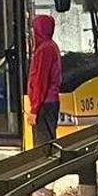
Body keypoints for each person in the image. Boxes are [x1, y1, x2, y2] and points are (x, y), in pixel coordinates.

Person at [27, 15, 62, 146]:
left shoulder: (43, 49)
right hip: (51, 102)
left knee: (43, 145)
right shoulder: (52, 45)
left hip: (44, 104)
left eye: (34, 28)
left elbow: (40, 81)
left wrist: (34, 110)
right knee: (50, 140)